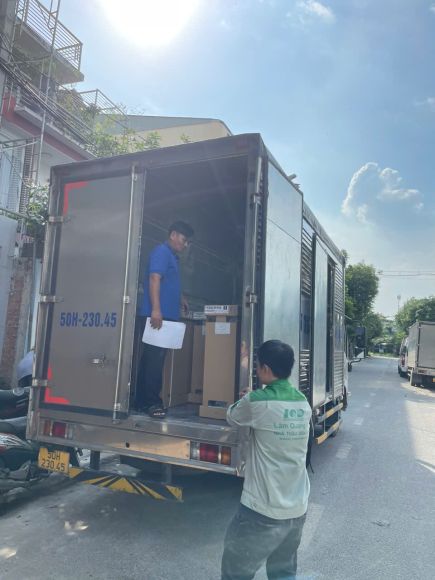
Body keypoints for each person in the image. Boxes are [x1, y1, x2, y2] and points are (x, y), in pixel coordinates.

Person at [221, 340, 312, 580]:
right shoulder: (302, 402)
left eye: (258, 365)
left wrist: (248, 397)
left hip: (261, 510)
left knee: (236, 572)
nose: (256, 369)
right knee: (283, 573)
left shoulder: (257, 402)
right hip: (296, 510)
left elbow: (232, 416)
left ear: (266, 369)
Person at [137, 221, 194, 418]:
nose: (185, 245)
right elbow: (154, 278)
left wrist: (180, 298)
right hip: (157, 316)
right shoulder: (162, 252)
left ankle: (141, 401)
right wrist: (156, 310)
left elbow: (168, 281)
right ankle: (152, 404)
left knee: (150, 359)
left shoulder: (172, 257)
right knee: (155, 361)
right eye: (184, 240)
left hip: (164, 316)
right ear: (173, 235)